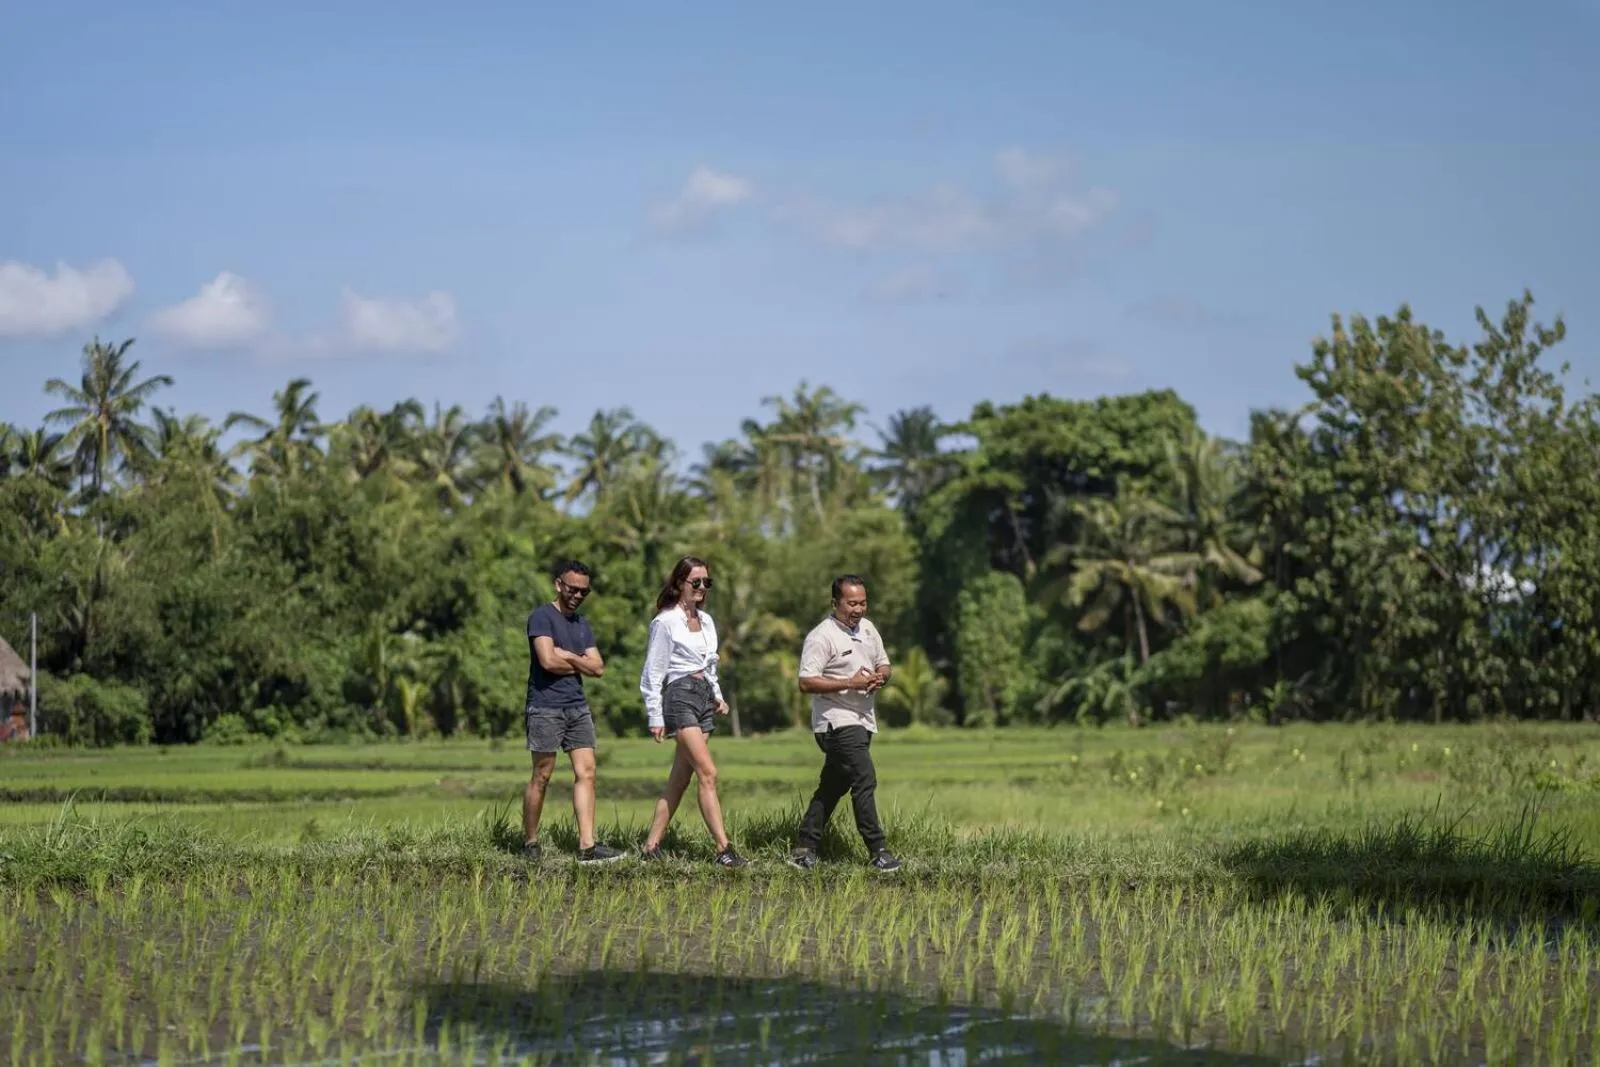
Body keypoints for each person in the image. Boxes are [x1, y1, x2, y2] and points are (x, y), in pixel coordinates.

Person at [637, 555, 749, 868]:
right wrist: (655, 714)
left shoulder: (707, 621)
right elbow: (653, 671)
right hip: (680, 695)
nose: (701, 588)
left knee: (680, 779)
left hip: (702, 697)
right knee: (708, 773)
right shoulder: (665, 621)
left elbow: (708, 664)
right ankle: (723, 848)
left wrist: (717, 695)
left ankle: (650, 846)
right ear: (679, 583)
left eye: (706, 582)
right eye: (695, 582)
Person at [788, 574, 902, 873]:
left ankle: (804, 847)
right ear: (835, 603)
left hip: (864, 719)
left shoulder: (867, 628)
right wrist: (850, 682)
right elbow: (805, 682)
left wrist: (881, 677)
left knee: (833, 786)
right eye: (852, 603)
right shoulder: (821, 636)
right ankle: (878, 850)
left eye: (863, 602)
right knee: (864, 778)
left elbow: (884, 663)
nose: (858, 609)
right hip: (835, 722)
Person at [522, 559, 624, 864]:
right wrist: (577, 660)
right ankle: (530, 841)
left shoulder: (581, 624)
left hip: (577, 706)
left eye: (584, 591)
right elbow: (547, 662)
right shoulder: (541, 616)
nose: (578, 595)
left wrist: (566, 654)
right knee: (542, 775)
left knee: (587, 772)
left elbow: (599, 667)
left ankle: (587, 846)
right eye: (573, 589)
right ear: (558, 584)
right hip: (544, 706)